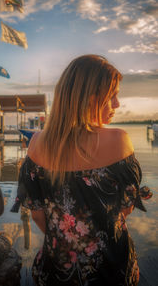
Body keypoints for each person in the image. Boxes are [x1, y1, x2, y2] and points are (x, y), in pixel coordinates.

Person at [11, 55, 152, 286]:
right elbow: (123, 211)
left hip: (56, 269)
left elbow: (37, 214)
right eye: (112, 95)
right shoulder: (119, 140)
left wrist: (70, 239)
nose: (117, 104)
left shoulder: (36, 143)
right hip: (111, 270)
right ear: (88, 97)